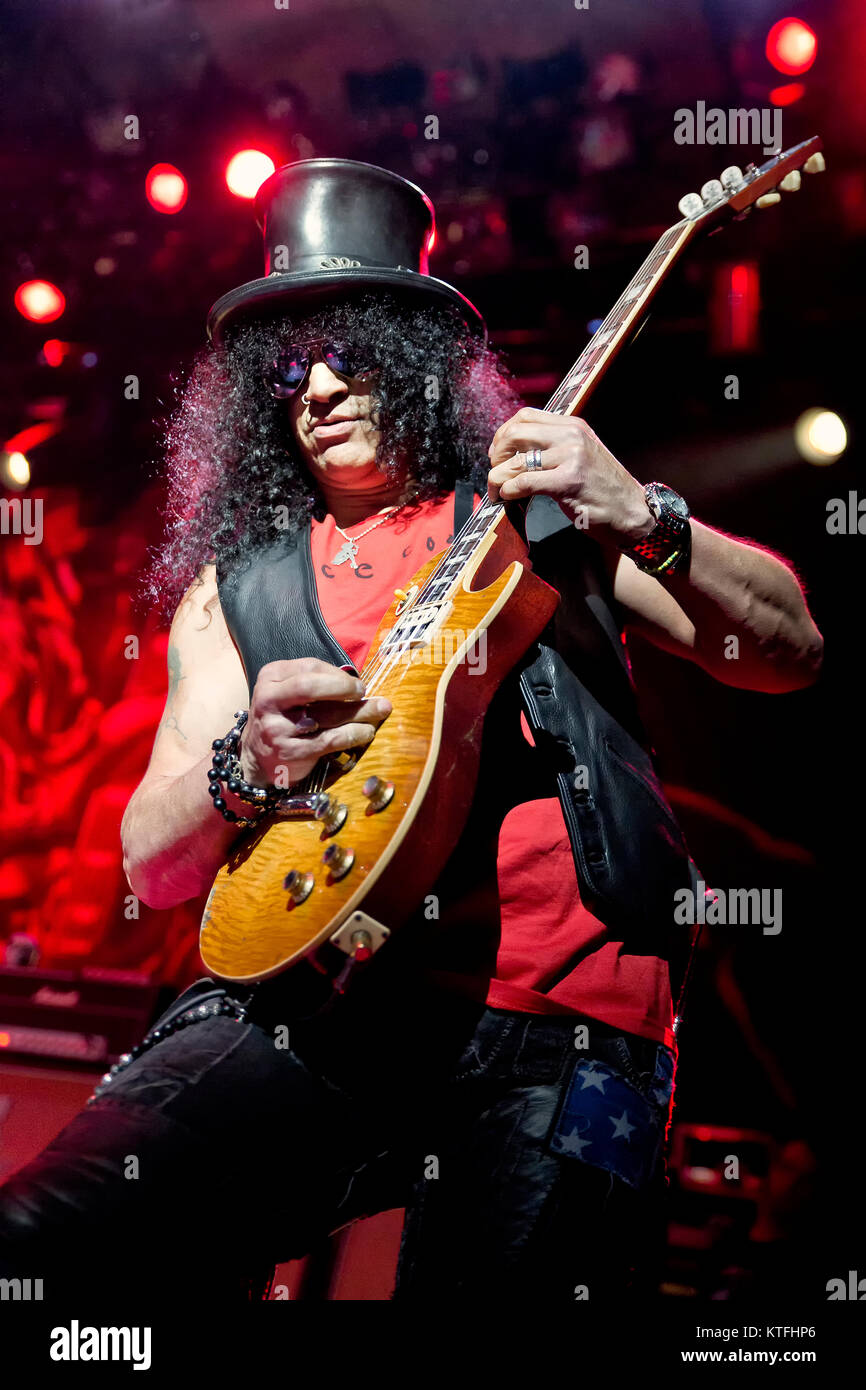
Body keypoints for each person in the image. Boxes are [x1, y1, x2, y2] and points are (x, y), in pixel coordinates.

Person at [0, 158, 823, 1304]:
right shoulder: (232, 593)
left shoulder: (543, 516)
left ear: (419, 363)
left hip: (562, 1020)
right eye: (289, 367)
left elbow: (787, 649)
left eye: (354, 352)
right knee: (39, 1241)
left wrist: (639, 510)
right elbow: (155, 858)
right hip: (318, 1008)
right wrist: (248, 763)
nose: (320, 388)